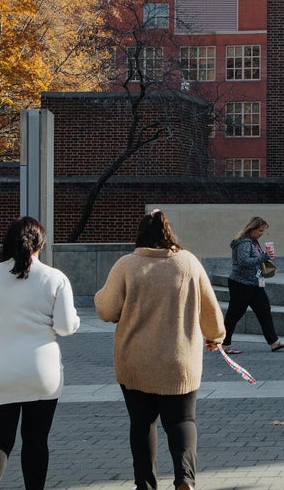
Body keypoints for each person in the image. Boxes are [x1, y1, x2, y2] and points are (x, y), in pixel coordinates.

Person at [95, 209, 225, 490]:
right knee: (182, 420)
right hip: (179, 361)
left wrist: (99, 297)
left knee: (142, 424)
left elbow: (106, 310)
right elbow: (211, 308)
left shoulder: (127, 265)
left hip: (135, 360)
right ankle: (185, 479)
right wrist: (216, 336)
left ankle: (145, 483)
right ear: (170, 234)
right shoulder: (188, 263)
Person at [0, 216, 80, 490]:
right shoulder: (55, 278)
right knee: (35, 441)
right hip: (40, 373)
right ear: (40, 244)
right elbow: (66, 327)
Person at [222, 216, 284, 353]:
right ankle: (224, 344)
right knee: (234, 314)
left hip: (253, 283)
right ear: (252, 229)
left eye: (262, 231)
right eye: (260, 230)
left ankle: (273, 342)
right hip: (241, 284)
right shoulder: (244, 243)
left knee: (264, 311)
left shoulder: (253, 242)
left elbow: (253, 260)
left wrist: (264, 259)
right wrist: (264, 257)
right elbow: (243, 261)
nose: (261, 234)